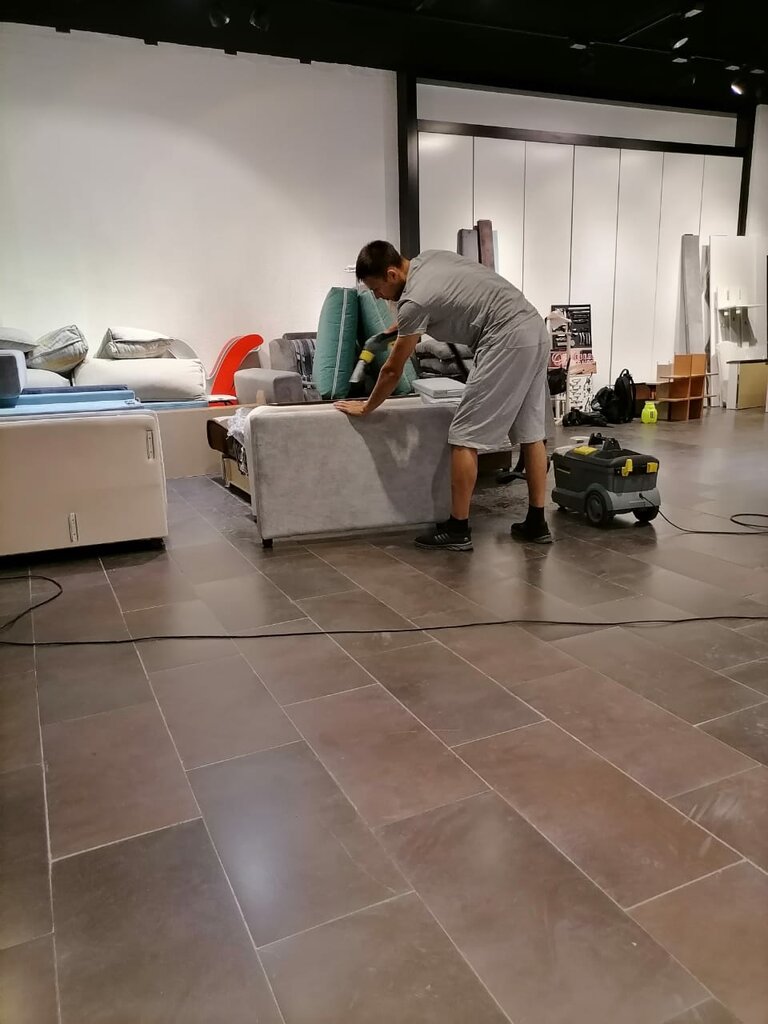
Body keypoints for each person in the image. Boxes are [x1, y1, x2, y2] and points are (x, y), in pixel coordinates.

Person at [335, 241, 552, 550]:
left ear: (392, 274)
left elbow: (392, 371)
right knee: (532, 432)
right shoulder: (429, 259)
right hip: (534, 329)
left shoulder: (413, 301)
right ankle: (537, 523)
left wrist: (367, 407)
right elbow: (438, 303)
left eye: (376, 288)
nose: (378, 296)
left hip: (505, 338)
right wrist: (392, 332)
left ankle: (457, 529)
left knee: (464, 435)